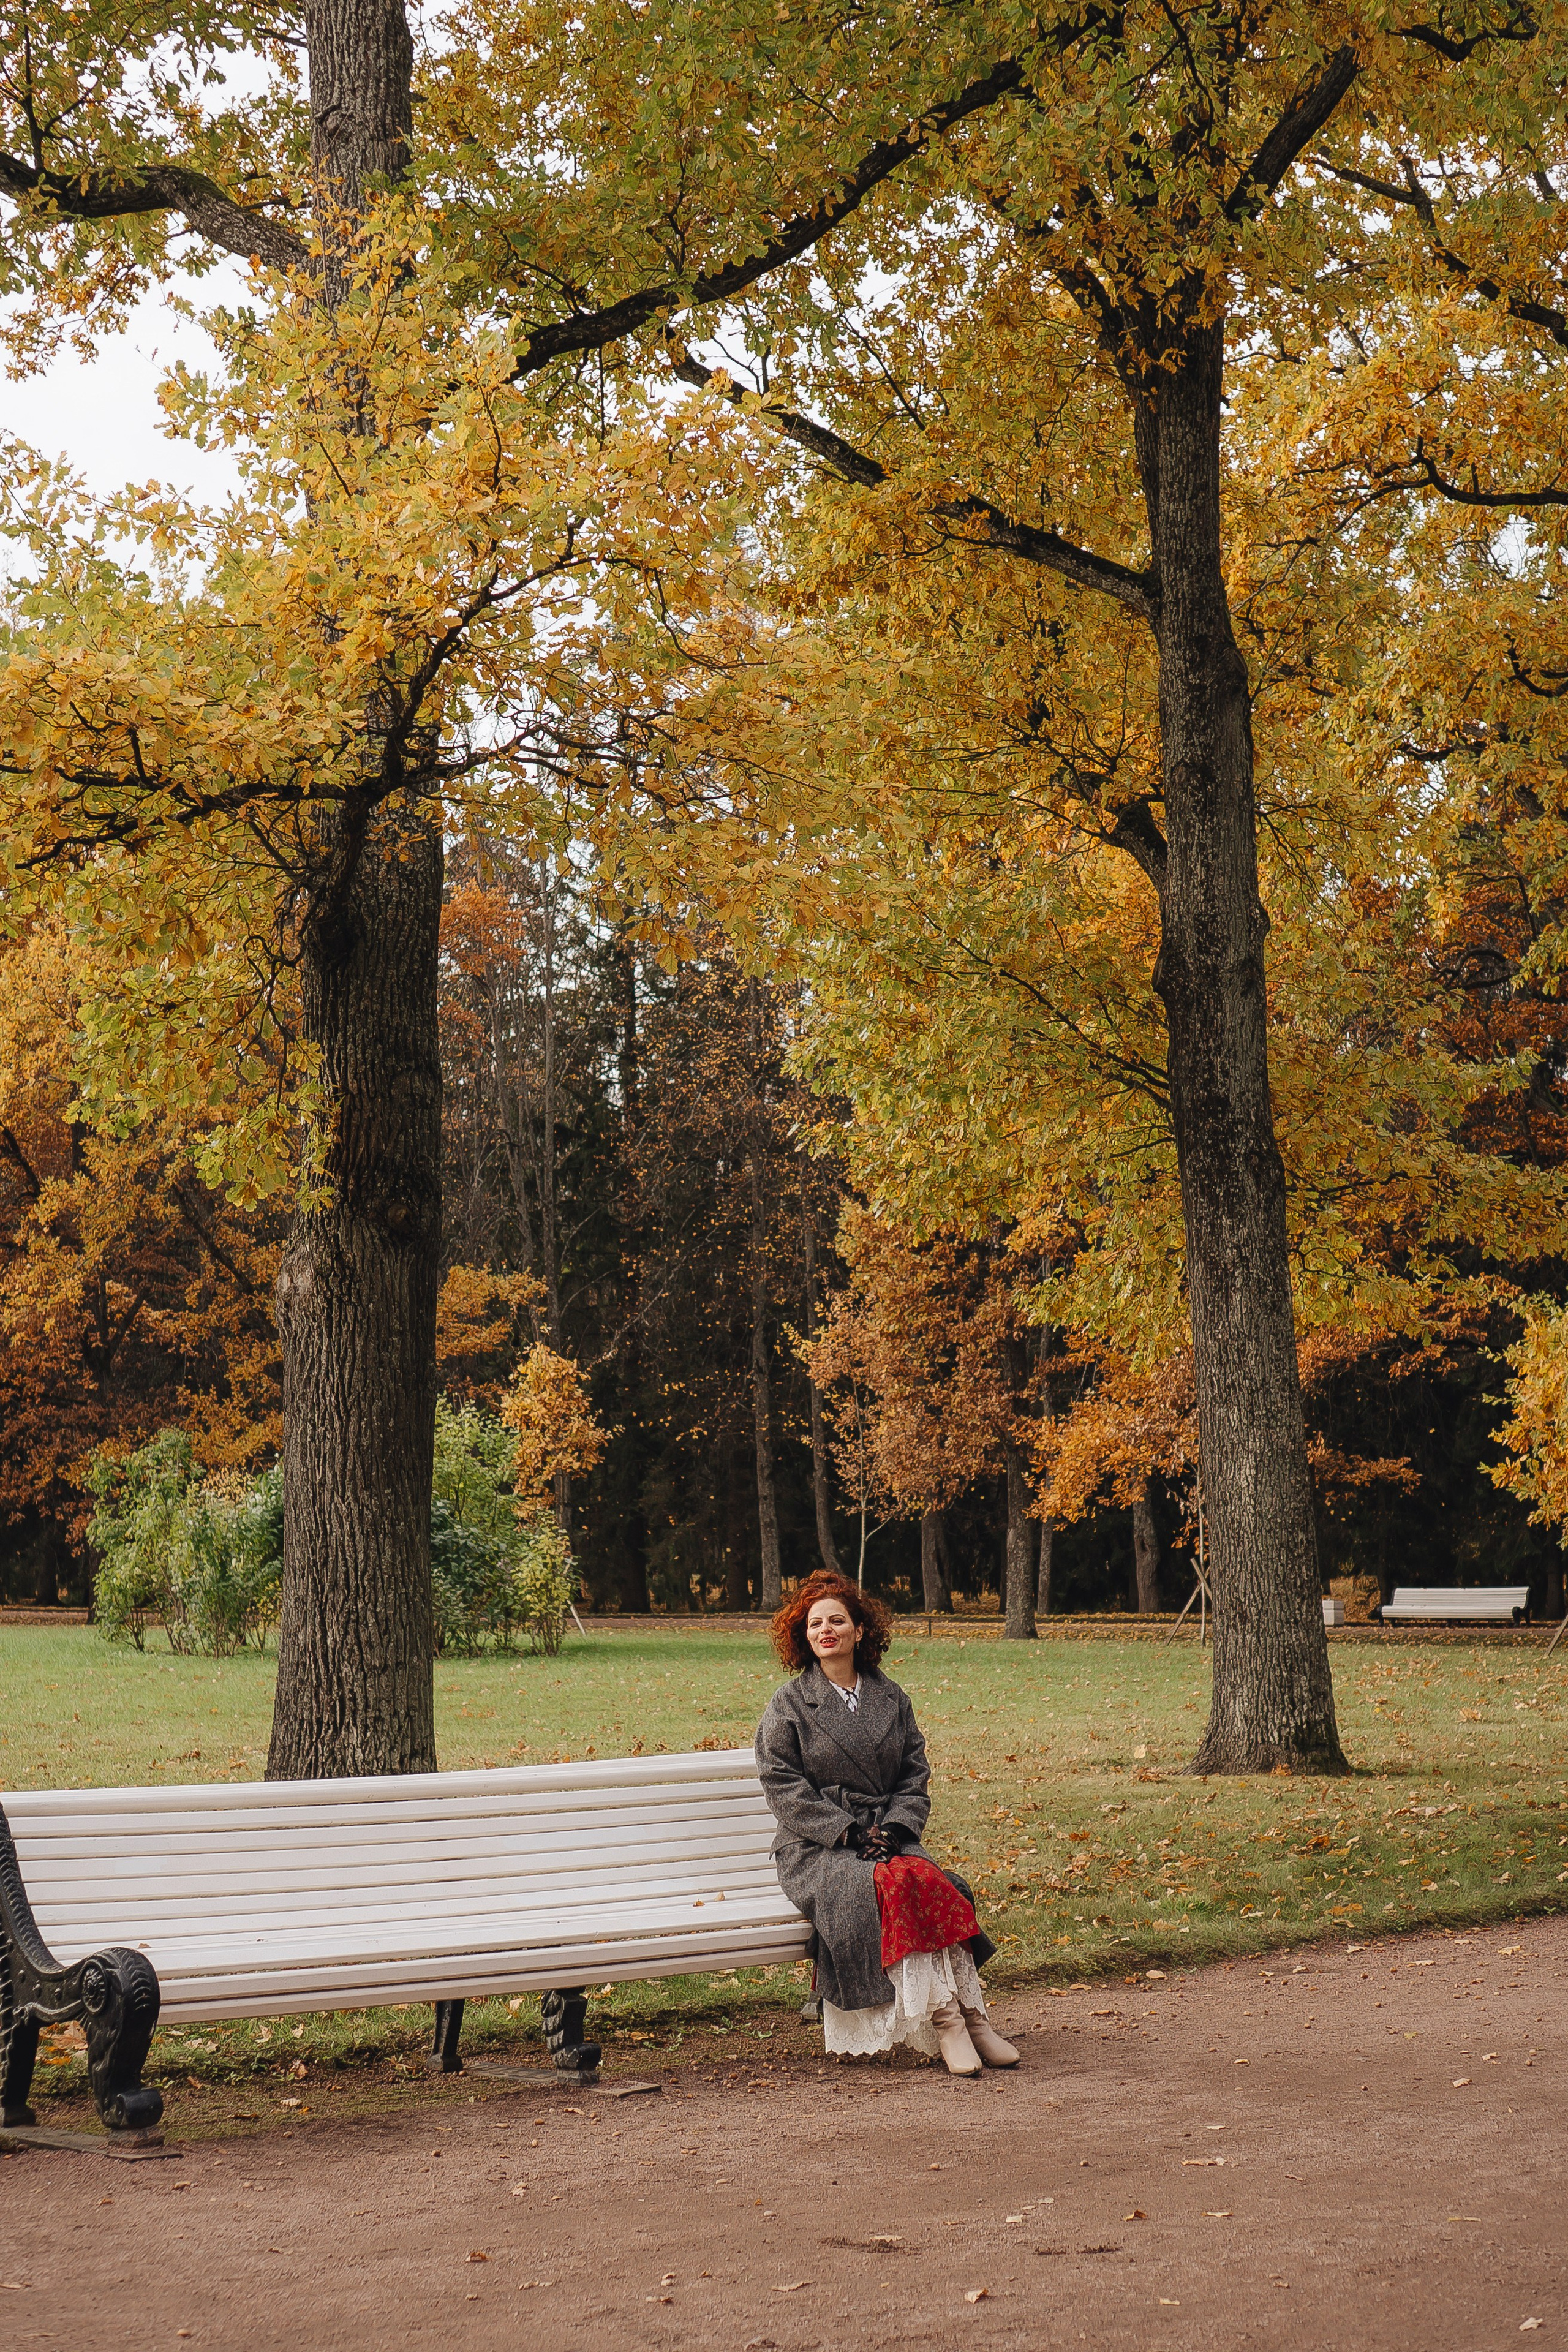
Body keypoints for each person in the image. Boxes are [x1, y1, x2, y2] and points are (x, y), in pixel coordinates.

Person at [755, 1569, 1018, 2075]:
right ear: (803, 1637)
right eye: (815, 1624)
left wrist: (895, 1830)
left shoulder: (891, 1697)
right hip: (817, 1848)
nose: (826, 1630)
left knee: (923, 1877)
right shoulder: (788, 1704)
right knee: (894, 1883)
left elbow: (914, 1775)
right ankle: (949, 2022)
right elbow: (782, 1784)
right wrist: (848, 1833)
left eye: (837, 1620)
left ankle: (975, 2018)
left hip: (885, 1835)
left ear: (859, 1630)